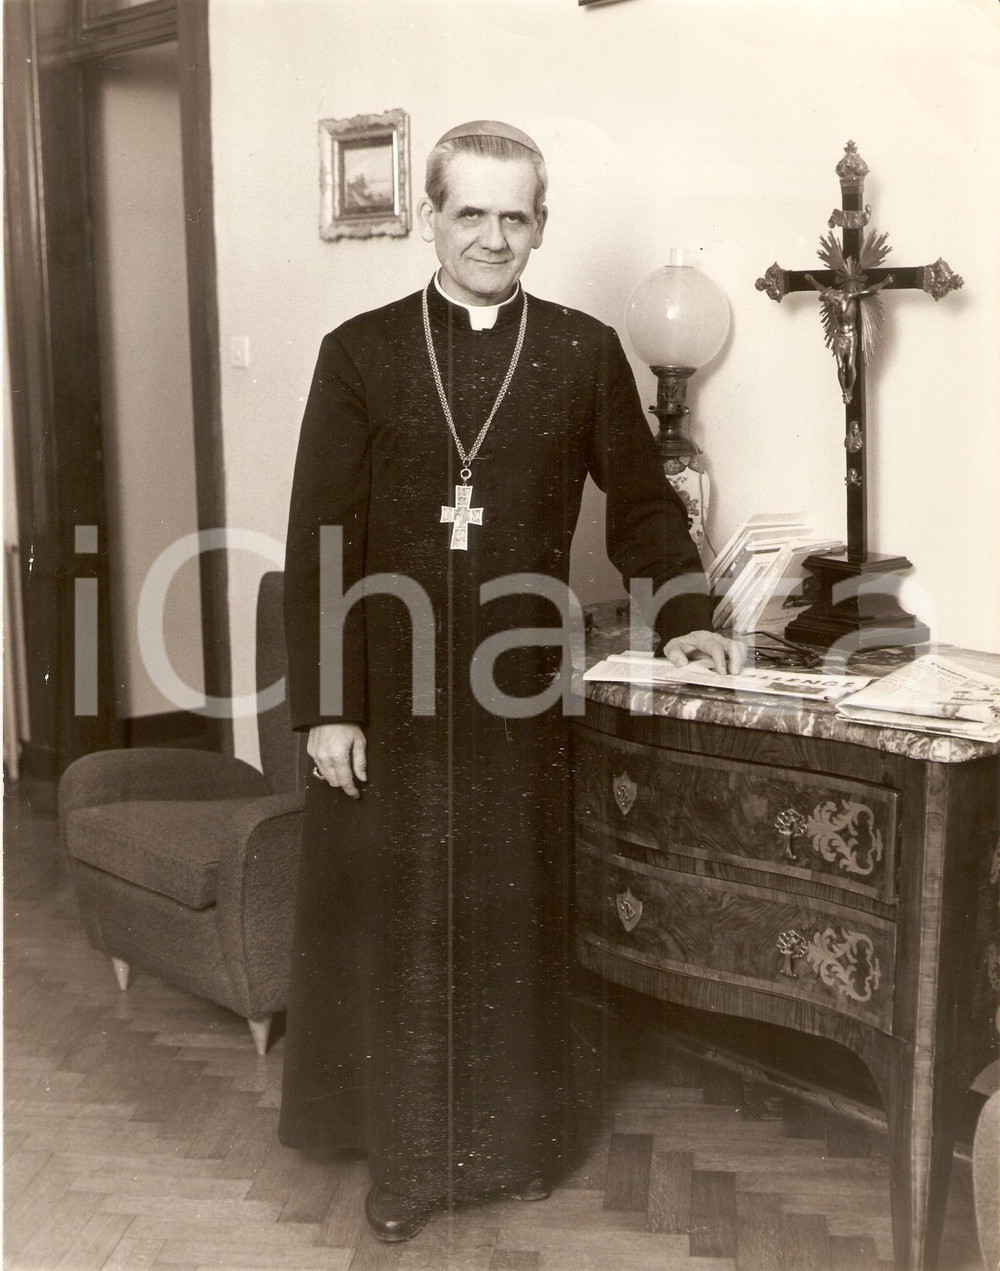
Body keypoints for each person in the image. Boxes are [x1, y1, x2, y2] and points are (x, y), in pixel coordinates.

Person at [279, 119, 743, 1243]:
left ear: (542, 225)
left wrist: (687, 617)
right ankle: (407, 1167)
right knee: (404, 926)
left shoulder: (581, 352)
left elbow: (643, 505)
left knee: (509, 923)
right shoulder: (361, 351)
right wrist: (328, 705)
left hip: (516, 688)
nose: (493, 237)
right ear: (431, 217)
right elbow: (321, 538)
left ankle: (511, 1148)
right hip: (388, 690)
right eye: (471, 213)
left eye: (515, 217)